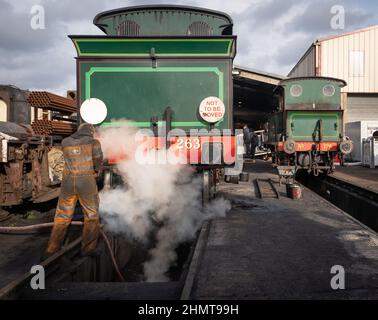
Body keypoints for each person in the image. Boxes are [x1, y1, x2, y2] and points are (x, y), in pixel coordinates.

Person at [44, 123, 103, 258]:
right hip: (86, 181)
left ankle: (52, 249)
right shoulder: (94, 142)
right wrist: (96, 171)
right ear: (91, 132)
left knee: (62, 215)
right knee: (91, 215)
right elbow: (98, 160)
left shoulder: (65, 142)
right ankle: (88, 249)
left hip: (68, 182)